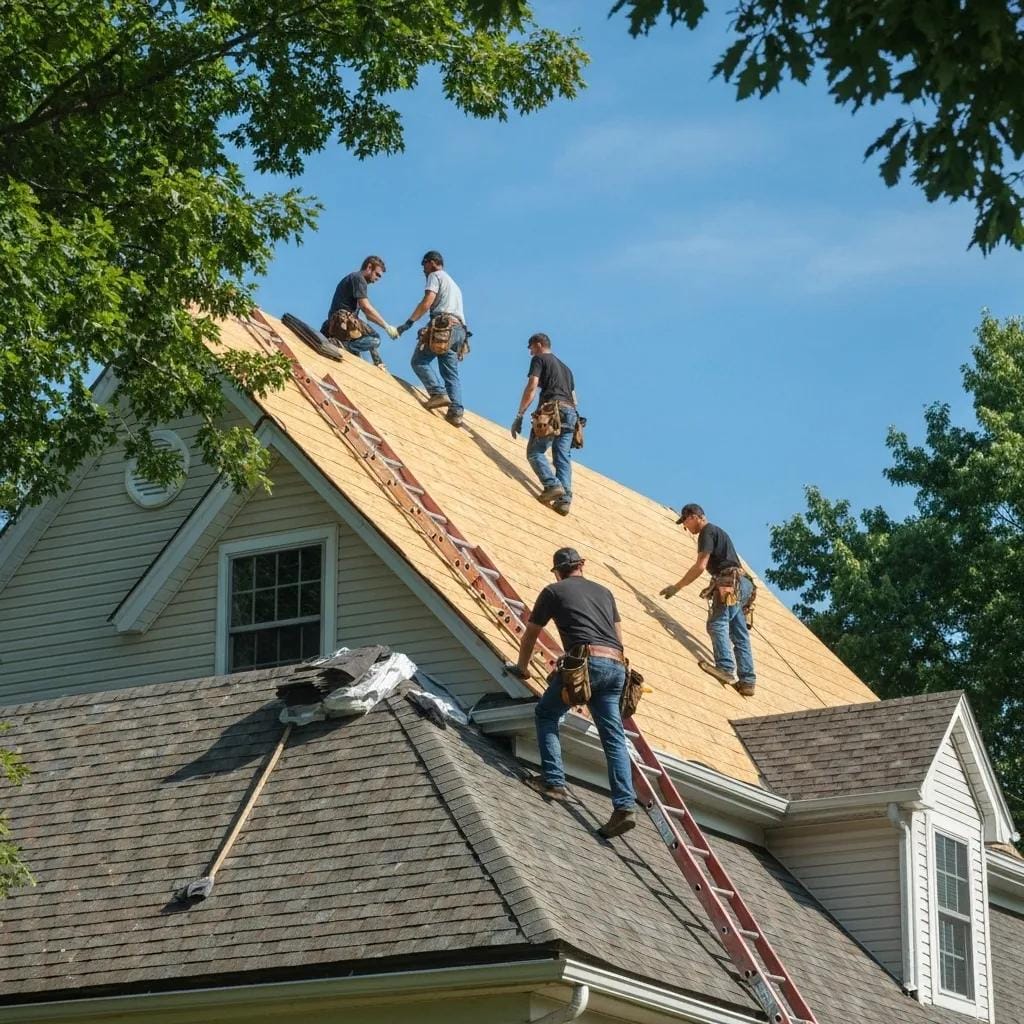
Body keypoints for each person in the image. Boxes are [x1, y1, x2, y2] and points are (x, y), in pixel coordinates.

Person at [507, 548, 636, 839]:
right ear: (581, 566)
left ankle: (553, 781)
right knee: (614, 738)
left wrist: (522, 668)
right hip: (616, 666)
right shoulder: (605, 592)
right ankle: (624, 806)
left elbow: (530, 634)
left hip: (587, 663)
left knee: (546, 713)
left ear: (558, 571)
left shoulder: (553, 592)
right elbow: (618, 639)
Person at [659, 503, 757, 696]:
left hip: (730, 582)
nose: (686, 528)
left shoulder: (707, 532)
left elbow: (700, 566)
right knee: (738, 632)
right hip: (745, 585)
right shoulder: (718, 532)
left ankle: (725, 668)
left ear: (694, 516)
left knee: (717, 623)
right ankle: (747, 681)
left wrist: (677, 587)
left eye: (685, 522)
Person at [396, 251, 468, 427]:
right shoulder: (454, 285)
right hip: (459, 331)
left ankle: (437, 393)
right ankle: (456, 412)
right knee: (450, 373)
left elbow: (428, 301)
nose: (423, 269)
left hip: (444, 326)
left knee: (419, 361)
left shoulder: (435, 276)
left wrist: (408, 323)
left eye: (424, 264)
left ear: (434, 263)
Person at [511, 333, 578, 516]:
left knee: (535, 452)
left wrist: (520, 415)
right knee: (562, 456)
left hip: (552, 409)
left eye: (531, 348)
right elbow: (575, 400)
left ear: (539, 345)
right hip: (571, 413)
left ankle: (552, 485)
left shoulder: (540, 359)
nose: (530, 352)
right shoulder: (566, 369)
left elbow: (532, 385)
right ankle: (564, 499)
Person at [321, 256, 400, 367]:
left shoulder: (354, 279)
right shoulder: (359, 279)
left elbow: (367, 316)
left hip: (337, 325)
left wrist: (378, 360)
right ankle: (342, 345)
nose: (377, 279)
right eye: (377, 274)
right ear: (369, 267)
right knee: (375, 339)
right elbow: (366, 308)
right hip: (341, 323)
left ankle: (351, 349)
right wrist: (386, 326)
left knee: (357, 356)